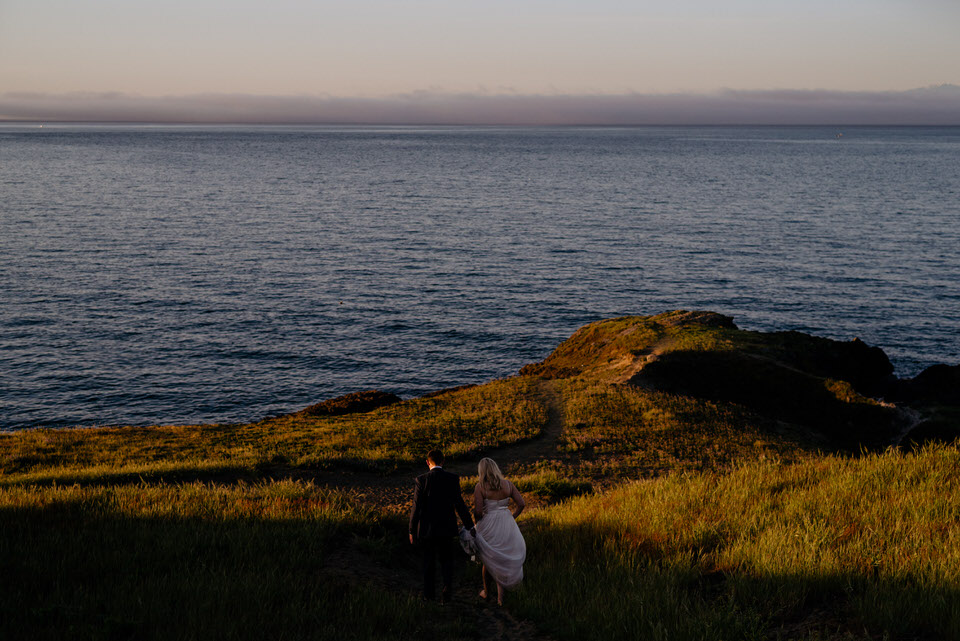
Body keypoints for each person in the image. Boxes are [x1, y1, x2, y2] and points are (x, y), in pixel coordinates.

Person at [409, 449, 475, 603]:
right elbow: (460, 505)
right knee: (446, 561)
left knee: (428, 563)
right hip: (447, 528)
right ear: (443, 461)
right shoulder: (452, 479)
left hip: (427, 530)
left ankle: (429, 596)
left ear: (427, 462)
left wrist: (412, 530)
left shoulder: (421, 480)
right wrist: (470, 525)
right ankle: (446, 588)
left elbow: (416, 508)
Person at [470, 457, 526, 606]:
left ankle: (487, 592)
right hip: (506, 523)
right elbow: (521, 504)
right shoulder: (508, 484)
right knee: (503, 557)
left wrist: (477, 523)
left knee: (489, 559)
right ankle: (501, 599)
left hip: (488, 525)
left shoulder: (480, 487)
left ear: (482, 471)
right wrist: (511, 517)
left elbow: (478, 511)